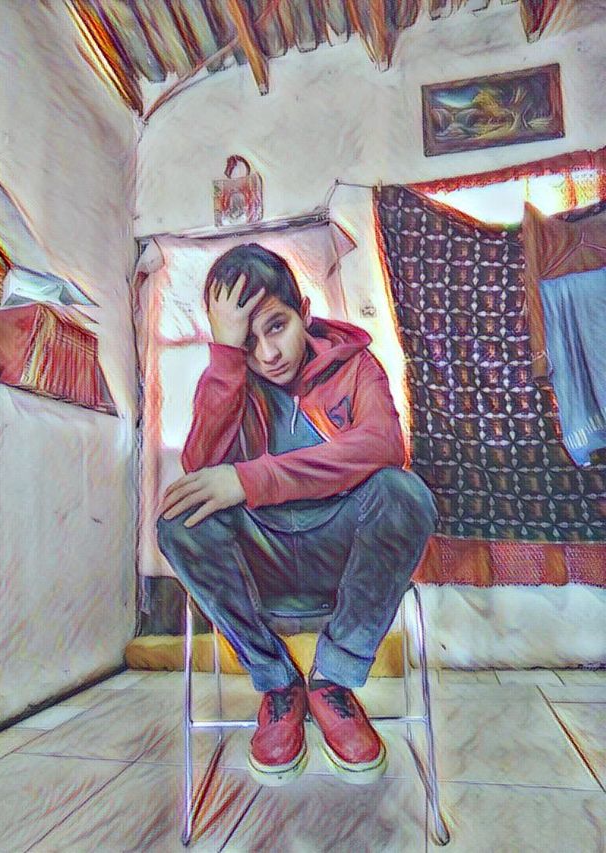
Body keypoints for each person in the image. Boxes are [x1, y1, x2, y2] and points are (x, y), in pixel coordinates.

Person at [157, 243, 437, 787]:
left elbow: (383, 445)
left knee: (403, 492)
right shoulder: (233, 379)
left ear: (304, 312)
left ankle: (332, 679)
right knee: (180, 520)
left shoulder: (354, 365)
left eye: (276, 327)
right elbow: (199, 470)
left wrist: (250, 479)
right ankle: (278, 683)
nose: (267, 354)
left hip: (345, 557)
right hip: (264, 562)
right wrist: (225, 359)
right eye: (247, 340)